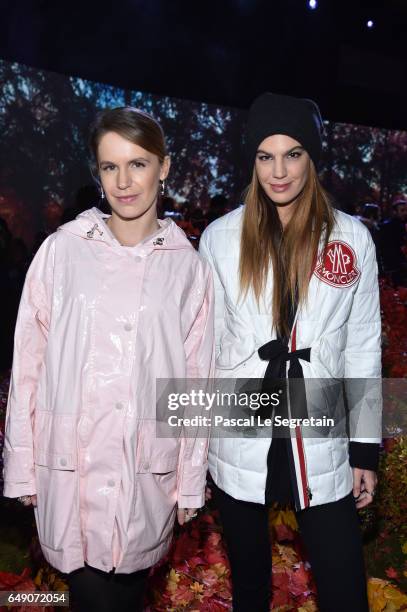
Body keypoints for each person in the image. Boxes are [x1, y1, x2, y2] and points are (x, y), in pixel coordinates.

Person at [2, 106, 214, 612]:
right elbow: (27, 364)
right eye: (109, 166)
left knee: (129, 592)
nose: (123, 181)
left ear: (163, 167)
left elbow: (196, 381)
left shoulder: (188, 268)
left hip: (145, 469)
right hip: (71, 465)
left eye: (138, 164)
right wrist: (22, 467)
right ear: (96, 172)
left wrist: (188, 479)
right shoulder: (62, 251)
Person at [199, 92, 382, 612]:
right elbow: (204, 348)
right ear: (252, 161)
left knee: (346, 589)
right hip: (240, 432)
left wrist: (364, 451)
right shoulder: (219, 238)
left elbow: (363, 347)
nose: (278, 171)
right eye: (265, 156)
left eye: (293, 153)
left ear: (313, 158)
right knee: (251, 589)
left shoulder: (352, 238)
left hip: (319, 433)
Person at [379, 198, 407, 286]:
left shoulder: (402, 224)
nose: (405, 213)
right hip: (394, 265)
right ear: (395, 212)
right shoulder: (389, 226)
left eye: (406, 210)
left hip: (400, 264)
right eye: (402, 210)